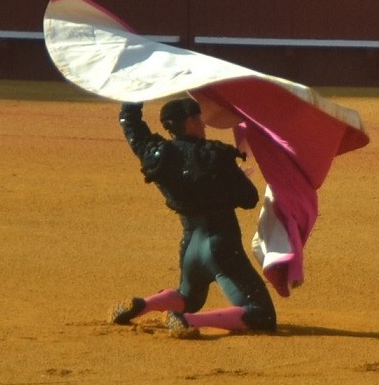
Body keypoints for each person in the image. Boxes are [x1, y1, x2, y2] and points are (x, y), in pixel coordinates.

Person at [110, 99, 276, 338]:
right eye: (199, 118)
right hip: (221, 247)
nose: (204, 125)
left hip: (190, 249)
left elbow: (131, 125)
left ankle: (144, 305)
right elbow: (249, 199)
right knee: (262, 314)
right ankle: (188, 320)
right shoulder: (214, 155)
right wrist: (235, 177)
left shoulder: (156, 154)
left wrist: (133, 97)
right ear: (190, 122)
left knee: (189, 297)